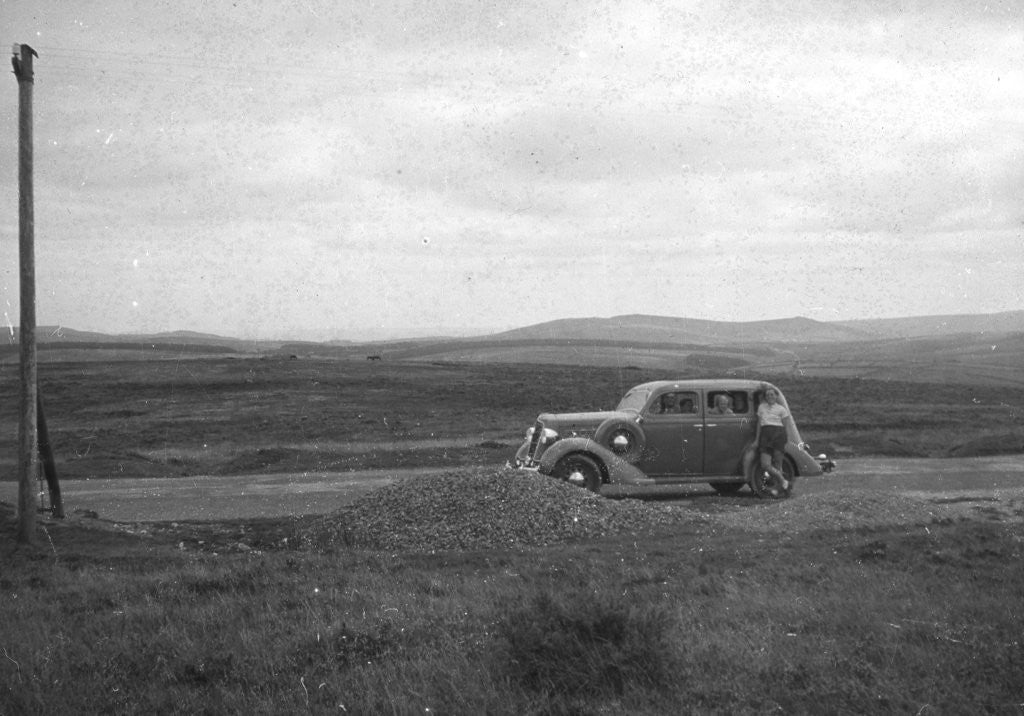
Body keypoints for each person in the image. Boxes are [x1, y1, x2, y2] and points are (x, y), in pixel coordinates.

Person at [754, 385, 792, 497]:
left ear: (776, 396)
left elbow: (786, 425)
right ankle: (783, 481)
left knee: (778, 464)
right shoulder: (761, 407)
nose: (770, 396)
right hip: (765, 435)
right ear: (765, 397)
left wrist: (788, 439)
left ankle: (781, 490)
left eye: (772, 394)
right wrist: (757, 439)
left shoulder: (781, 409)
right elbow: (759, 424)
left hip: (778, 435)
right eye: (767, 395)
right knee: (765, 464)